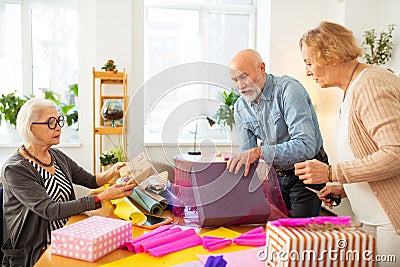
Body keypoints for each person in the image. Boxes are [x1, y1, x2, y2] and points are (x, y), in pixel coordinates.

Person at [295, 21, 400, 265]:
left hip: (391, 219)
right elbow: (369, 154)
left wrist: (333, 172)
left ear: (331, 55)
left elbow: (395, 153)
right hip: (373, 217)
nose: (308, 71)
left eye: (309, 62)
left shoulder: (371, 84)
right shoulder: (352, 88)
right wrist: (345, 188)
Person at [1, 98, 136, 267]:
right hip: (37, 250)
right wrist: (101, 198)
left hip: (67, 237)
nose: (58, 127)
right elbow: (50, 210)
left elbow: (91, 181)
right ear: (31, 128)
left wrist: (113, 170)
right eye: (51, 122)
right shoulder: (15, 169)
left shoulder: (57, 156)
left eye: (59, 121)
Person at [226, 49, 328, 218]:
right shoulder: (240, 107)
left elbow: (306, 145)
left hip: (308, 169)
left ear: (261, 68)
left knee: (300, 236)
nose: (240, 86)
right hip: (278, 175)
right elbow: (247, 159)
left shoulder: (289, 90)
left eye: (244, 76)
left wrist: (259, 152)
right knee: (276, 231)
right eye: (235, 80)